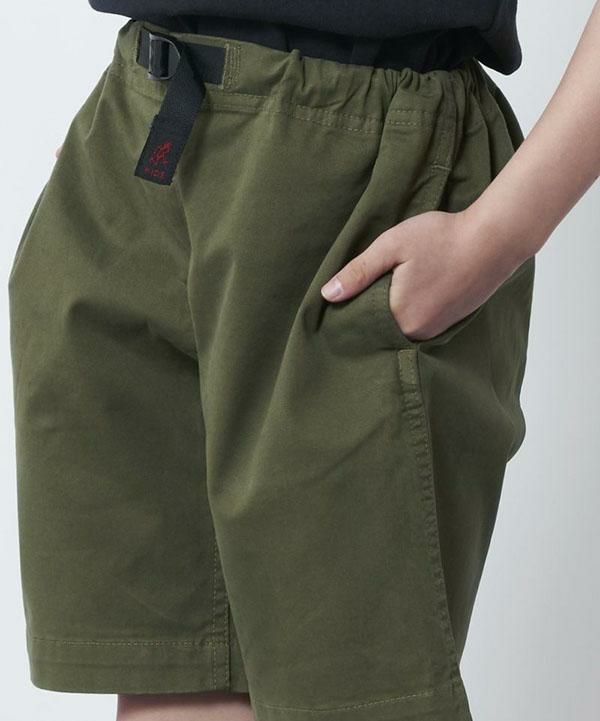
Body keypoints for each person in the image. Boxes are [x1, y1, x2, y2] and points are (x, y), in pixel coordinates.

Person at [9, 2, 599, 721]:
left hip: (361, 172)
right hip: (145, 127)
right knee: (172, 675)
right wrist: (113, 136)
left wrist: (498, 235)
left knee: (356, 695)